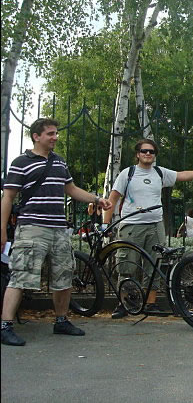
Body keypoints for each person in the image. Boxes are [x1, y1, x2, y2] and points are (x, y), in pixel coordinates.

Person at [1, 118, 113, 346]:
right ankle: (5, 325)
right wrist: (2, 229)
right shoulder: (21, 162)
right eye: (50, 133)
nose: (55, 137)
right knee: (21, 276)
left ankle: (61, 320)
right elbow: (8, 197)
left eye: (56, 133)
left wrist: (97, 199)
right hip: (32, 228)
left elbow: (71, 189)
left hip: (59, 229)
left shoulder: (59, 162)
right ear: (36, 136)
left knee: (64, 276)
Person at [102, 139, 193, 319]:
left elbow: (182, 175)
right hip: (131, 225)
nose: (148, 154)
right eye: (144, 151)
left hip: (156, 226)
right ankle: (125, 303)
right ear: (137, 154)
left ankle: (151, 303)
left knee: (154, 266)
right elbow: (113, 198)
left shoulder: (159, 173)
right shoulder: (128, 173)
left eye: (151, 152)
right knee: (127, 265)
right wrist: (105, 224)